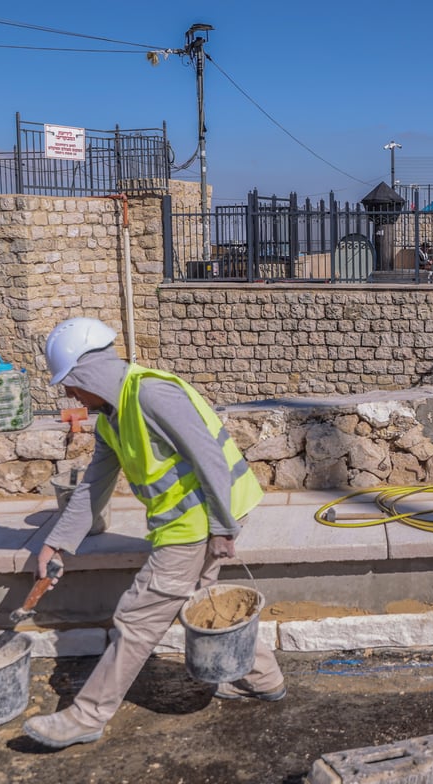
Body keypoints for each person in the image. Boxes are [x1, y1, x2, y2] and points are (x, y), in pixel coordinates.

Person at [23, 317, 283, 749]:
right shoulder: (111, 419)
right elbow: (93, 487)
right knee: (204, 603)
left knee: (136, 619)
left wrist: (222, 529)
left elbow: (210, 459)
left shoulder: (151, 393)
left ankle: (88, 715)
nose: (69, 393)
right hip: (185, 523)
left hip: (199, 523)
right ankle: (264, 679)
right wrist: (56, 541)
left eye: (70, 382)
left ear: (90, 372)